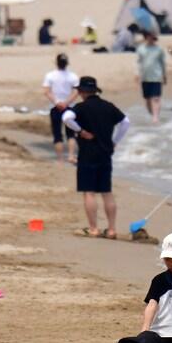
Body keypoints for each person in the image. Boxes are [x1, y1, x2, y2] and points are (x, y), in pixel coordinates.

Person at [63, 76, 131, 238]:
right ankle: (112, 229)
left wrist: (80, 131)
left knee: (89, 192)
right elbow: (126, 122)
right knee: (106, 192)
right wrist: (115, 141)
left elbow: (66, 118)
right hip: (105, 153)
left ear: (82, 92)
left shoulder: (81, 107)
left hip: (87, 153)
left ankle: (94, 228)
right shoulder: (108, 106)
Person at [43, 53, 80, 163]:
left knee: (57, 133)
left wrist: (56, 102)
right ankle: (71, 156)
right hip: (69, 107)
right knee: (71, 133)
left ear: (56, 63)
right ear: (67, 63)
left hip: (55, 107)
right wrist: (66, 103)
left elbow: (46, 91)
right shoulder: (73, 76)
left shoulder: (50, 75)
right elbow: (76, 91)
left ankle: (60, 159)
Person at [135, 30, 167, 122]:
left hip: (156, 77)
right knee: (147, 99)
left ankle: (155, 117)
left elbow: (163, 63)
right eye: (149, 36)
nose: (151, 39)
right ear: (146, 37)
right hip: (145, 77)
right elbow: (138, 63)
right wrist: (137, 74)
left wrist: (164, 75)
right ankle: (152, 114)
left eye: (153, 37)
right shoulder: (141, 49)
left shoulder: (159, 49)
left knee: (156, 98)